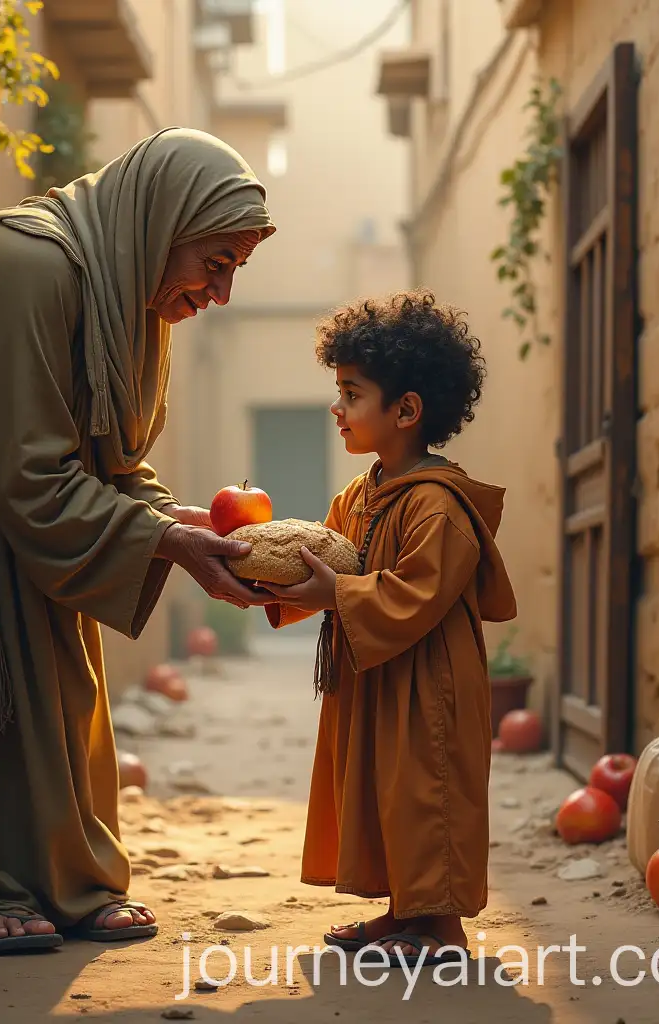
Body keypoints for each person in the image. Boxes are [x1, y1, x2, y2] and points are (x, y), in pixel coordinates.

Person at [0, 128, 277, 954]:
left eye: (235, 269)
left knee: (58, 665)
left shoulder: (132, 299)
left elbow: (104, 464)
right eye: (214, 262)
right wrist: (167, 541)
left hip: (12, 504)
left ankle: (60, 874)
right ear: (157, 221)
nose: (221, 292)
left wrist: (184, 531)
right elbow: (30, 478)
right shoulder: (25, 266)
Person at [261, 290, 518, 967]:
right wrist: (259, 570)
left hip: (427, 685)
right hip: (377, 674)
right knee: (386, 793)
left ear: (406, 410)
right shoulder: (360, 495)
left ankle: (444, 930)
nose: (336, 407)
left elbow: (419, 593)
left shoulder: (438, 504)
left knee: (427, 789)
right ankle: (403, 914)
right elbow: (325, 561)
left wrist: (336, 592)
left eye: (351, 392)